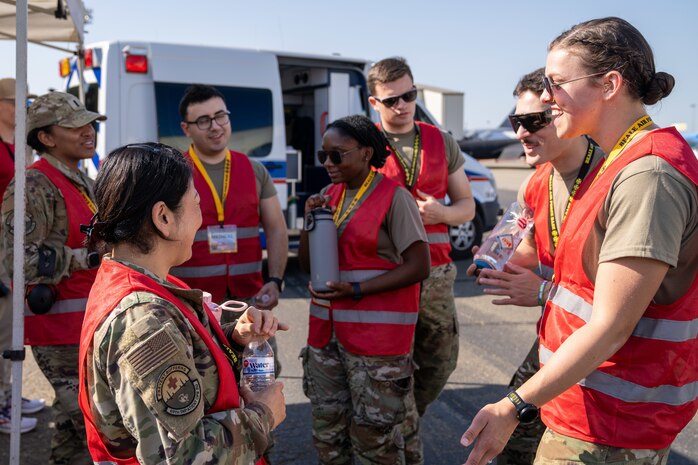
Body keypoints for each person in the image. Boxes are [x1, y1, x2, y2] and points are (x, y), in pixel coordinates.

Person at [461, 17, 698, 465]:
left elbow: (611, 324)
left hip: (610, 425)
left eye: (556, 83)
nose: (547, 98)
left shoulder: (647, 174)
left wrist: (512, 405)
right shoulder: (619, 165)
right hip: (585, 406)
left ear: (610, 84)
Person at [78, 142, 287, 464]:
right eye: (196, 204)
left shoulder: (147, 282)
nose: (200, 220)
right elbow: (183, 456)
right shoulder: (144, 321)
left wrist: (232, 336)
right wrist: (263, 414)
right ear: (163, 217)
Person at [466, 67, 604, 465]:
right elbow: (531, 245)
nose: (521, 133)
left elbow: (626, 300)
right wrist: (497, 257)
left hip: (606, 353)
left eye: (533, 121)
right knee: (514, 438)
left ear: (562, 112)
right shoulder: (536, 183)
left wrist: (542, 292)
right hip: (556, 334)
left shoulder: (612, 180)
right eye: (516, 122)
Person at [298, 115, 430, 465]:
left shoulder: (394, 198)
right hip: (326, 338)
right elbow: (307, 265)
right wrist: (309, 219)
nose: (327, 163)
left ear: (366, 152)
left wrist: (357, 288)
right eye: (323, 154)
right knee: (328, 433)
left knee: (375, 440)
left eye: (336, 155)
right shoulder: (327, 195)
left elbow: (419, 265)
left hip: (377, 346)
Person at [368, 57, 475, 418]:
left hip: (437, 272)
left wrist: (442, 214)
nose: (401, 105)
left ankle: (411, 416)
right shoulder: (361, 146)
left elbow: (467, 207)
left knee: (441, 359)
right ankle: (396, 425)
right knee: (387, 362)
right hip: (386, 272)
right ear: (374, 103)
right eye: (391, 99)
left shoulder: (441, 142)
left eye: (408, 95)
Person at [1, 91, 105, 463]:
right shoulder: (33, 185)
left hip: (86, 324)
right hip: (60, 332)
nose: (88, 131)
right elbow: (18, 259)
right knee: (98, 427)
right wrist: (89, 258)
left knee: (72, 430)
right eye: (75, 125)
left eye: (90, 123)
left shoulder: (83, 180)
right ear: (45, 137)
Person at [171, 84, 288, 375]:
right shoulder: (174, 172)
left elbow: (276, 229)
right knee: (203, 380)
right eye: (203, 120)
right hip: (192, 304)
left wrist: (274, 280)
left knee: (259, 378)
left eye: (220, 116)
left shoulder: (253, 169)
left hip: (247, 302)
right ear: (186, 129)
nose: (215, 126)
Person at [0, 77, 45, 435]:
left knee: (14, 329)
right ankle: (2, 404)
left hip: (13, 250)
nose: (26, 109)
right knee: (2, 331)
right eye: (20, 102)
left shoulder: (16, 145)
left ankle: (11, 392)